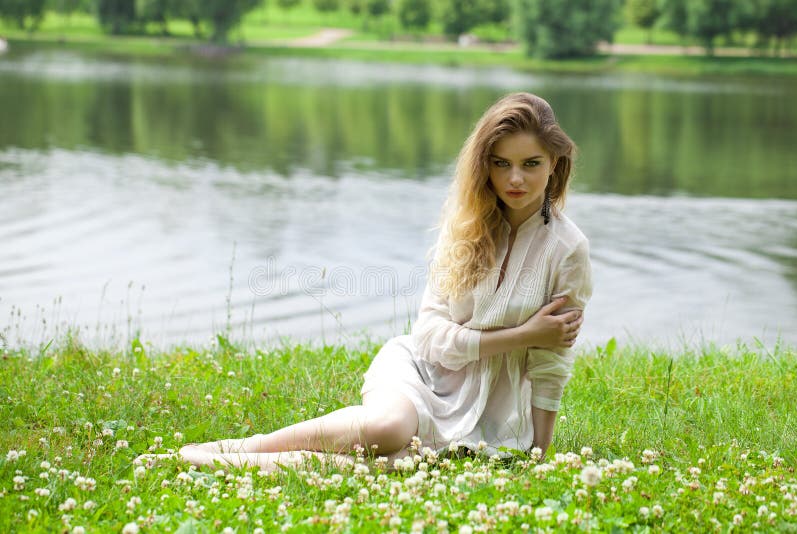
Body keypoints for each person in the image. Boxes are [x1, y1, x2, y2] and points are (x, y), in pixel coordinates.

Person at [171, 92, 592, 471]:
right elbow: (429, 336)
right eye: (501, 164)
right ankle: (241, 448)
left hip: (489, 409)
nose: (514, 179)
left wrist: (540, 450)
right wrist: (522, 335)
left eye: (530, 164)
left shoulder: (568, 248)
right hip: (421, 372)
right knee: (389, 429)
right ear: (485, 166)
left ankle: (228, 466)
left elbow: (551, 359)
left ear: (554, 163)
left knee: (399, 462)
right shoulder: (467, 227)